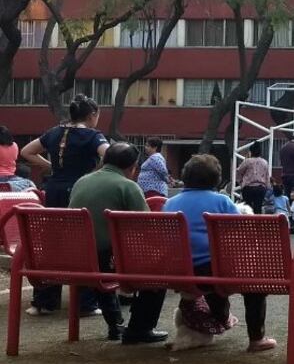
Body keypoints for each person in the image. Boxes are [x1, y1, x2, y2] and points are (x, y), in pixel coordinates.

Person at [164, 154, 276, 352]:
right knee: (252, 284)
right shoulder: (222, 202)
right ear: (216, 179)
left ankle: (221, 317)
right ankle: (256, 338)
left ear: (185, 176)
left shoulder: (170, 203)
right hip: (214, 272)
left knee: (214, 275)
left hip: (179, 271)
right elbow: (239, 237)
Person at [68, 142, 168, 344]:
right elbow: (146, 228)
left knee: (104, 258)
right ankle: (140, 328)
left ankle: (116, 324)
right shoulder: (127, 186)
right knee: (160, 269)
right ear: (132, 167)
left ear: (104, 160)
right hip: (108, 259)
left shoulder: (82, 181)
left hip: (78, 256)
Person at [20, 94, 109, 316]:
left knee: (53, 243)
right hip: (79, 190)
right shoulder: (92, 135)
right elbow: (110, 155)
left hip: (54, 191)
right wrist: (95, 172)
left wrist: (51, 165)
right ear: (92, 115)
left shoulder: (54, 132)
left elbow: (26, 152)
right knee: (82, 243)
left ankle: (44, 301)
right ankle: (85, 302)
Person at [236, 143, 271, 214]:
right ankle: (257, 224)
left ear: (251, 152)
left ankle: (248, 223)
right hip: (260, 188)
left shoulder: (247, 161)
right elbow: (267, 176)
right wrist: (267, 187)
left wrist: (240, 182)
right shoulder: (264, 162)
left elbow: (239, 172)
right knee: (258, 208)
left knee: (247, 209)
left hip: (248, 188)